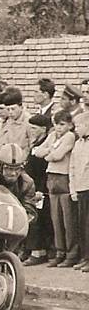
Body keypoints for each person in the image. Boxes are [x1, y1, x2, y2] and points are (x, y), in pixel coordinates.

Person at [32, 110, 78, 267]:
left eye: (62, 124)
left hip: (63, 178)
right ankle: (60, 251)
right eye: (56, 124)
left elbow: (57, 156)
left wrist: (49, 152)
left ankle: (71, 253)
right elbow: (37, 151)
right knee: (55, 218)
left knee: (68, 219)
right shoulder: (52, 136)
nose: (58, 128)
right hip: (51, 177)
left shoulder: (70, 136)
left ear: (70, 125)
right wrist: (49, 151)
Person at [24, 114, 54, 267]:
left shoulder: (44, 145)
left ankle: (38, 251)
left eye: (35, 128)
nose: (32, 131)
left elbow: (44, 171)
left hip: (39, 188)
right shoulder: (36, 143)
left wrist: (40, 189)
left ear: (43, 129)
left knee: (38, 219)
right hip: (31, 185)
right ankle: (31, 250)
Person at [69, 112, 89, 272]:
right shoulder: (78, 144)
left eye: (79, 126)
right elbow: (73, 167)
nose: (76, 129)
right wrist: (73, 188)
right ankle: (84, 257)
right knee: (82, 226)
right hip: (80, 188)